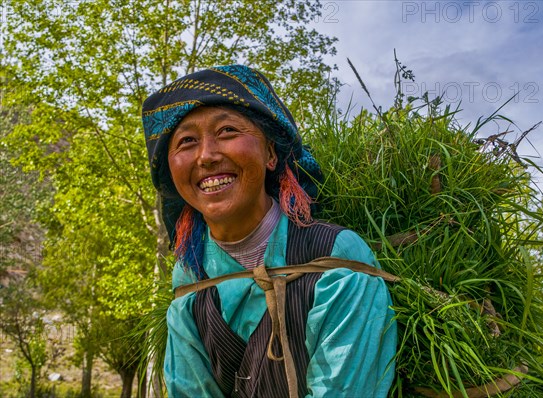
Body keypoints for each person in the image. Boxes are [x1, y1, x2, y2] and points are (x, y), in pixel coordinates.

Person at [142, 65, 397, 397]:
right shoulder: (190, 276)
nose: (206, 155)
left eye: (228, 131)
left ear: (271, 154)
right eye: (187, 141)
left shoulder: (335, 257)